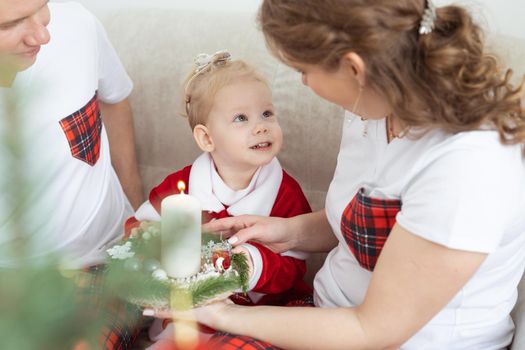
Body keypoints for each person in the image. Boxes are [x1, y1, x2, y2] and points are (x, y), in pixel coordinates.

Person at [145, 0, 525, 349]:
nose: (304, 83)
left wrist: (224, 315)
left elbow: (373, 330)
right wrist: (288, 231)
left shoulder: (467, 167)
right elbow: (373, 226)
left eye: (303, 69)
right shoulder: (373, 107)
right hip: (324, 316)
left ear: (354, 68)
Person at [127, 51, 313, 347]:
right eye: (241, 118)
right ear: (207, 139)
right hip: (194, 308)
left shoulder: (285, 192)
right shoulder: (182, 186)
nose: (261, 126)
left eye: (267, 113)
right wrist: (148, 238)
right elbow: (139, 227)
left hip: (265, 311)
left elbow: (295, 265)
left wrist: (250, 265)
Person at [0, 0, 144, 348]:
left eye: (43, 6)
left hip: (100, 264)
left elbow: (115, 99)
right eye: (11, 24)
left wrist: (136, 203)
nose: (43, 34)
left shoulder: (77, 23)